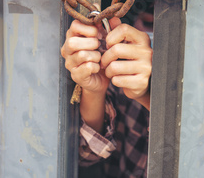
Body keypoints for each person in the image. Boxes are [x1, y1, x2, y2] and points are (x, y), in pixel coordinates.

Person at [61, 16, 153, 178]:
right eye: (147, 22)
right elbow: (86, 158)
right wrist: (94, 92)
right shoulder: (120, 69)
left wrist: (150, 95)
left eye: (150, 25)